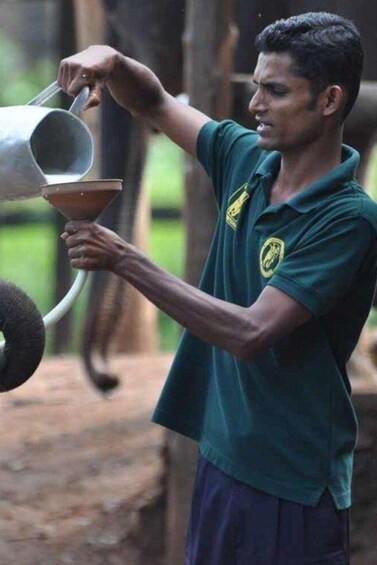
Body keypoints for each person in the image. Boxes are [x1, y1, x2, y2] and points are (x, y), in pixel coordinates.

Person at [58, 12, 376, 565]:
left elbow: (252, 331)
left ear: (328, 101)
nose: (255, 105)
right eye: (256, 87)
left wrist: (127, 259)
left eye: (275, 91)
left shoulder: (347, 220)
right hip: (221, 458)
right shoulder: (245, 158)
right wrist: (111, 61)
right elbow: (155, 102)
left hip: (292, 482)